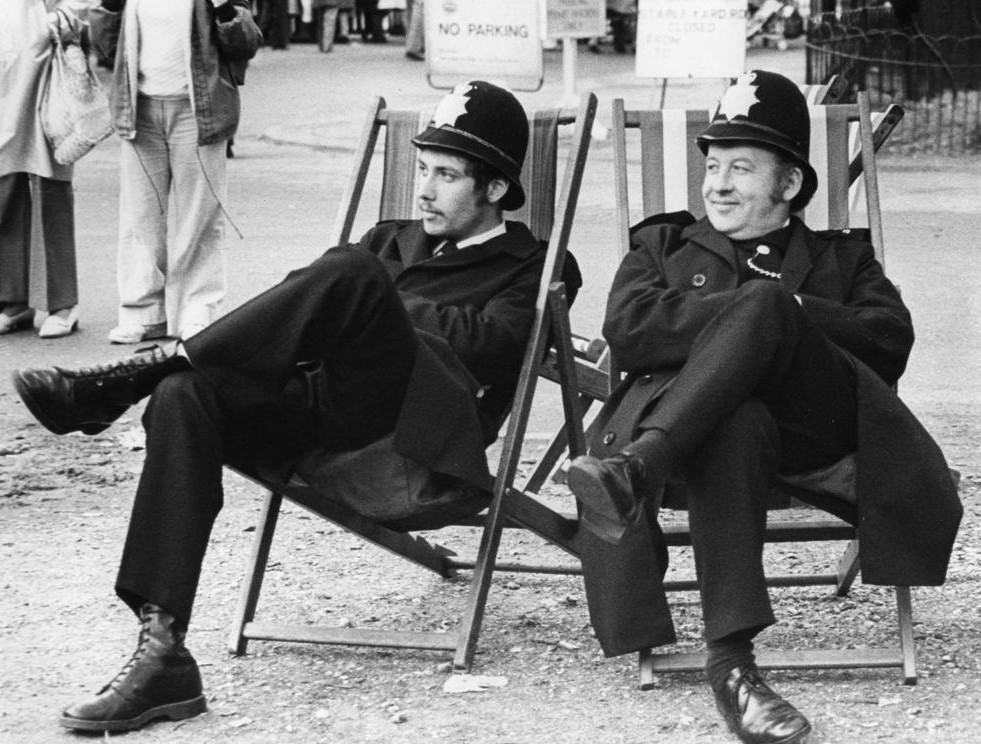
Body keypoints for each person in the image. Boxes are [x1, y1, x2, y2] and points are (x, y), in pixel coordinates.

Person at [12, 80, 580, 733]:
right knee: (184, 395)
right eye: (421, 169)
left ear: (496, 189)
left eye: (445, 176)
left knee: (350, 274)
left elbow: (495, 345)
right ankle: (163, 649)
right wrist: (355, 308)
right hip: (317, 411)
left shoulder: (533, 261)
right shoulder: (388, 239)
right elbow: (304, 320)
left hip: (412, 442)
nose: (422, 189)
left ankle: (135, 373)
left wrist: (380, 309)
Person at [567, 71, 961, 744]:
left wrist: (788, 314)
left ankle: (634, 469)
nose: (715, 184)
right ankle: (732, 667)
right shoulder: (660, 245)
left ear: (787, 185)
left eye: (739, 168)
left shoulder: (842, 257)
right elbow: (628, 329)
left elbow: (888, 339)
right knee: (737, 416)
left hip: (812, 433)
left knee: (770, 303)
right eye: (711, 165)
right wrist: (749, 318)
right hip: (708, 445)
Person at [88, 0, 261, 344]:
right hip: (139, 108)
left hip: (198, 110)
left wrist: (225, 9)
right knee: (141, 217)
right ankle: (143, 312)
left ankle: (197, 310)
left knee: (199, 217)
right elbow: (105, 45)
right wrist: (108, 6)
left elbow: (246, 44)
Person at [0, 0, 89, 339]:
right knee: (4, 188)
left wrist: (54, 24)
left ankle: (62, 302)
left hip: (43, 72)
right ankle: (13, 298)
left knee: (49, 183)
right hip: (5, 74)